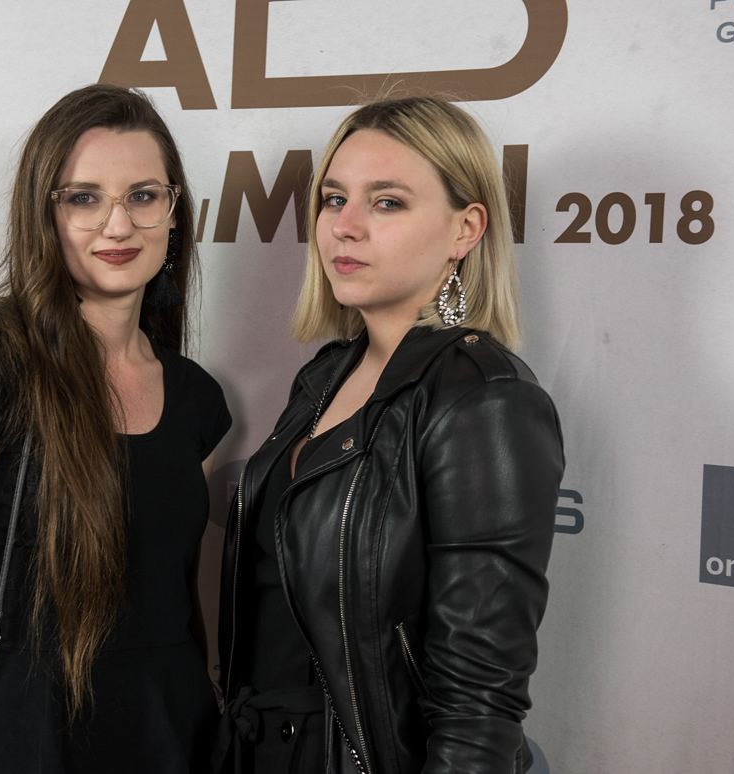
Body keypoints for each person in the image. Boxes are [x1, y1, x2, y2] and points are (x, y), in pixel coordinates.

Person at [215, 95, 564, 774]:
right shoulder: (323, 378)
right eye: (334, 199)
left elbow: (478, 707)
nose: (344, 227)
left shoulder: (483, 399)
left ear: (465, 229)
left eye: (387, 202)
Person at [0, 84, 231, 773]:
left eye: (143, 196)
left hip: (173, 736)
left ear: (173, 214)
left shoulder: (196, 396)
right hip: (28, 738)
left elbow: (187, 608)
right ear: (44, 215)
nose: (118, 225)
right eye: (84, 198)